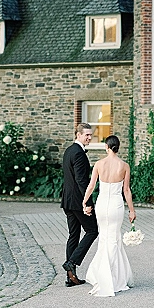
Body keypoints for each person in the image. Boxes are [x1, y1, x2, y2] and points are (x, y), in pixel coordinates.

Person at [82, 134, 136, 297]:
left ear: (107, 147)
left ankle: (103, 274)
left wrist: (85, 202)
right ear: (117, 148)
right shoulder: (124, 166)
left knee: (105, 237)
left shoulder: (99, 164)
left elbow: (91, 186)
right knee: (114, 237)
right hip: (115, 205)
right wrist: (132, 210)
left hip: (102, 204)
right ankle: (112, 277)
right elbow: (126, 190)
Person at [60, 122, 99, 287]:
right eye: (86, 135)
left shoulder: (69, 151)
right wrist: (88, 203)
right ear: (78, 135)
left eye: (90, 135)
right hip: (77, 202)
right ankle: (72, 262)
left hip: (68, 201)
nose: (89, 137)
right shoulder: (79, 154)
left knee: (73, 236)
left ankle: (71, 277)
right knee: (92, 231)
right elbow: (81, 181)